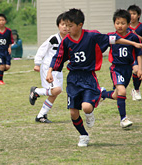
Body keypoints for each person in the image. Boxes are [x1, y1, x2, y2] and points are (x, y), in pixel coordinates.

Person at [46, 8, 142, 147]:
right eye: (65, 25)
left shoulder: (91, 36)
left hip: (88, 77)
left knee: (86, 107)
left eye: (70, 25)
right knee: (73, 112)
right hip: (73, 79)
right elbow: (58, 57)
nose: (67, 28)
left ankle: (90, 111)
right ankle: (83, 135)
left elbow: (113, 39)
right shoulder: (66, 41)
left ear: (80, 25)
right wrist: (50, 71)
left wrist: (133, 43)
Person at [101, 9, 142, 128]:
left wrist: (139, 68)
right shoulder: (111, 36)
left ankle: (102, 94)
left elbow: (139, 53)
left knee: (116, 95)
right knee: (123, 91)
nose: (120, 25)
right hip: (116, 68)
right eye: (117, 23)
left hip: (128, 69)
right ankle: (123, 119)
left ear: (129, 24)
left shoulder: (134, 37)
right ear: (114, 23)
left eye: (123, 23)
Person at [29, 13, 67, 123]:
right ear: (58, 26)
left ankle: (41, 116)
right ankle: (36, 91)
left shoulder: (69, 40)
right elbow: (42, 49)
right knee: (56, 90)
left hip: (58, 69)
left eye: (67, 25)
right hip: (48, 68)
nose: (65, 27)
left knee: (54, 93)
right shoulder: (54, 38)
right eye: (62, 24)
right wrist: (37, 63)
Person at [127, 4, 142, 101]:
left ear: (139, 15)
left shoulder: (140, 27)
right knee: (136, 70)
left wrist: (137, 36)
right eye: (130, 14)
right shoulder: (125, 27)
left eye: (134, 14)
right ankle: (136, 90)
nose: (132, 16)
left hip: (140, 52)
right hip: (131, 53)